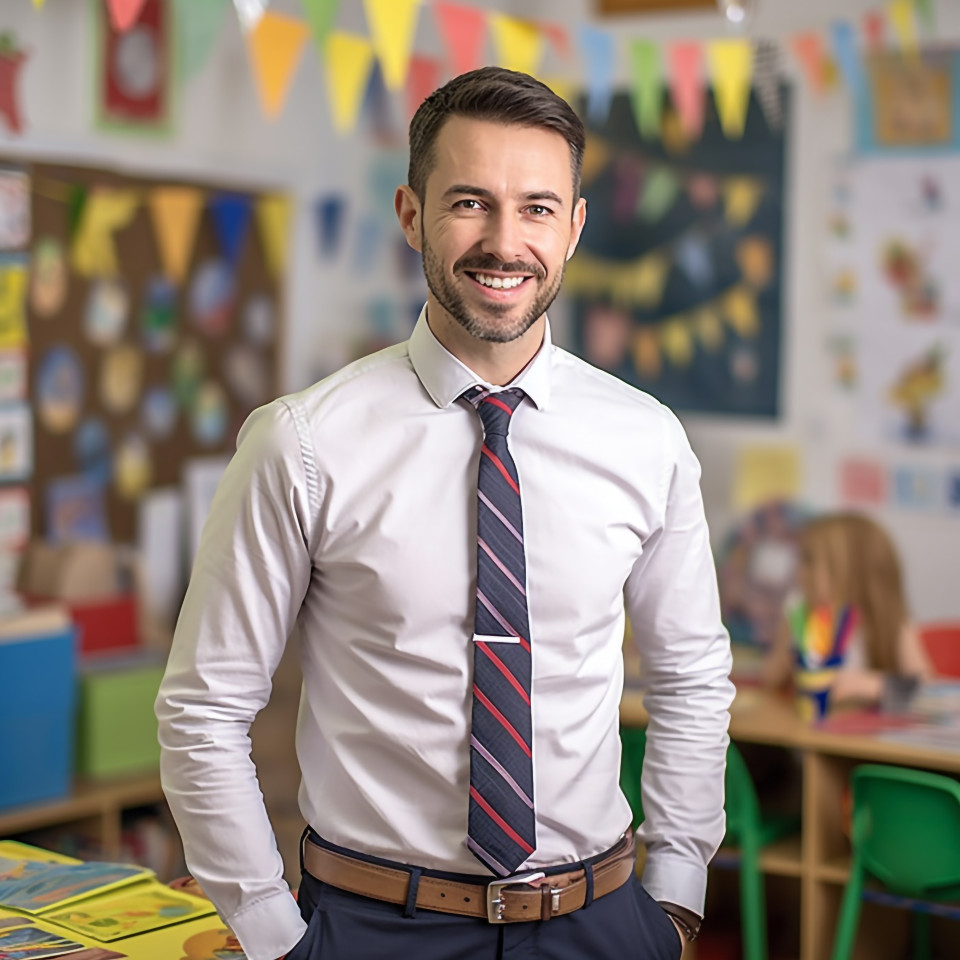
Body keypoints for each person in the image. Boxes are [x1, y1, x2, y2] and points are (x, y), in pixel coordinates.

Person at [156, 67, 733, 960]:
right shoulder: (301, 444)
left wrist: (679, 897)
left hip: (606, 923)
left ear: (575, 228)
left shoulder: (645, 440)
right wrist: (273, 934)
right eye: (470, 202)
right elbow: (204, 707)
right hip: (374, 926)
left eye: (538, 208)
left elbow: (691, 673)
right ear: (411, 214)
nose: (506, 242)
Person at [762, 511, 932, 712]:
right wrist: (784, 663)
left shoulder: (889, 623)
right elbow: (770, 676)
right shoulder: (798, 612)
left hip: (864, 738)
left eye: (809, 560)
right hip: (806, 729)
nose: (800, 570)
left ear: (852, 571)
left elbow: (930, 690)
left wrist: (874, 686)